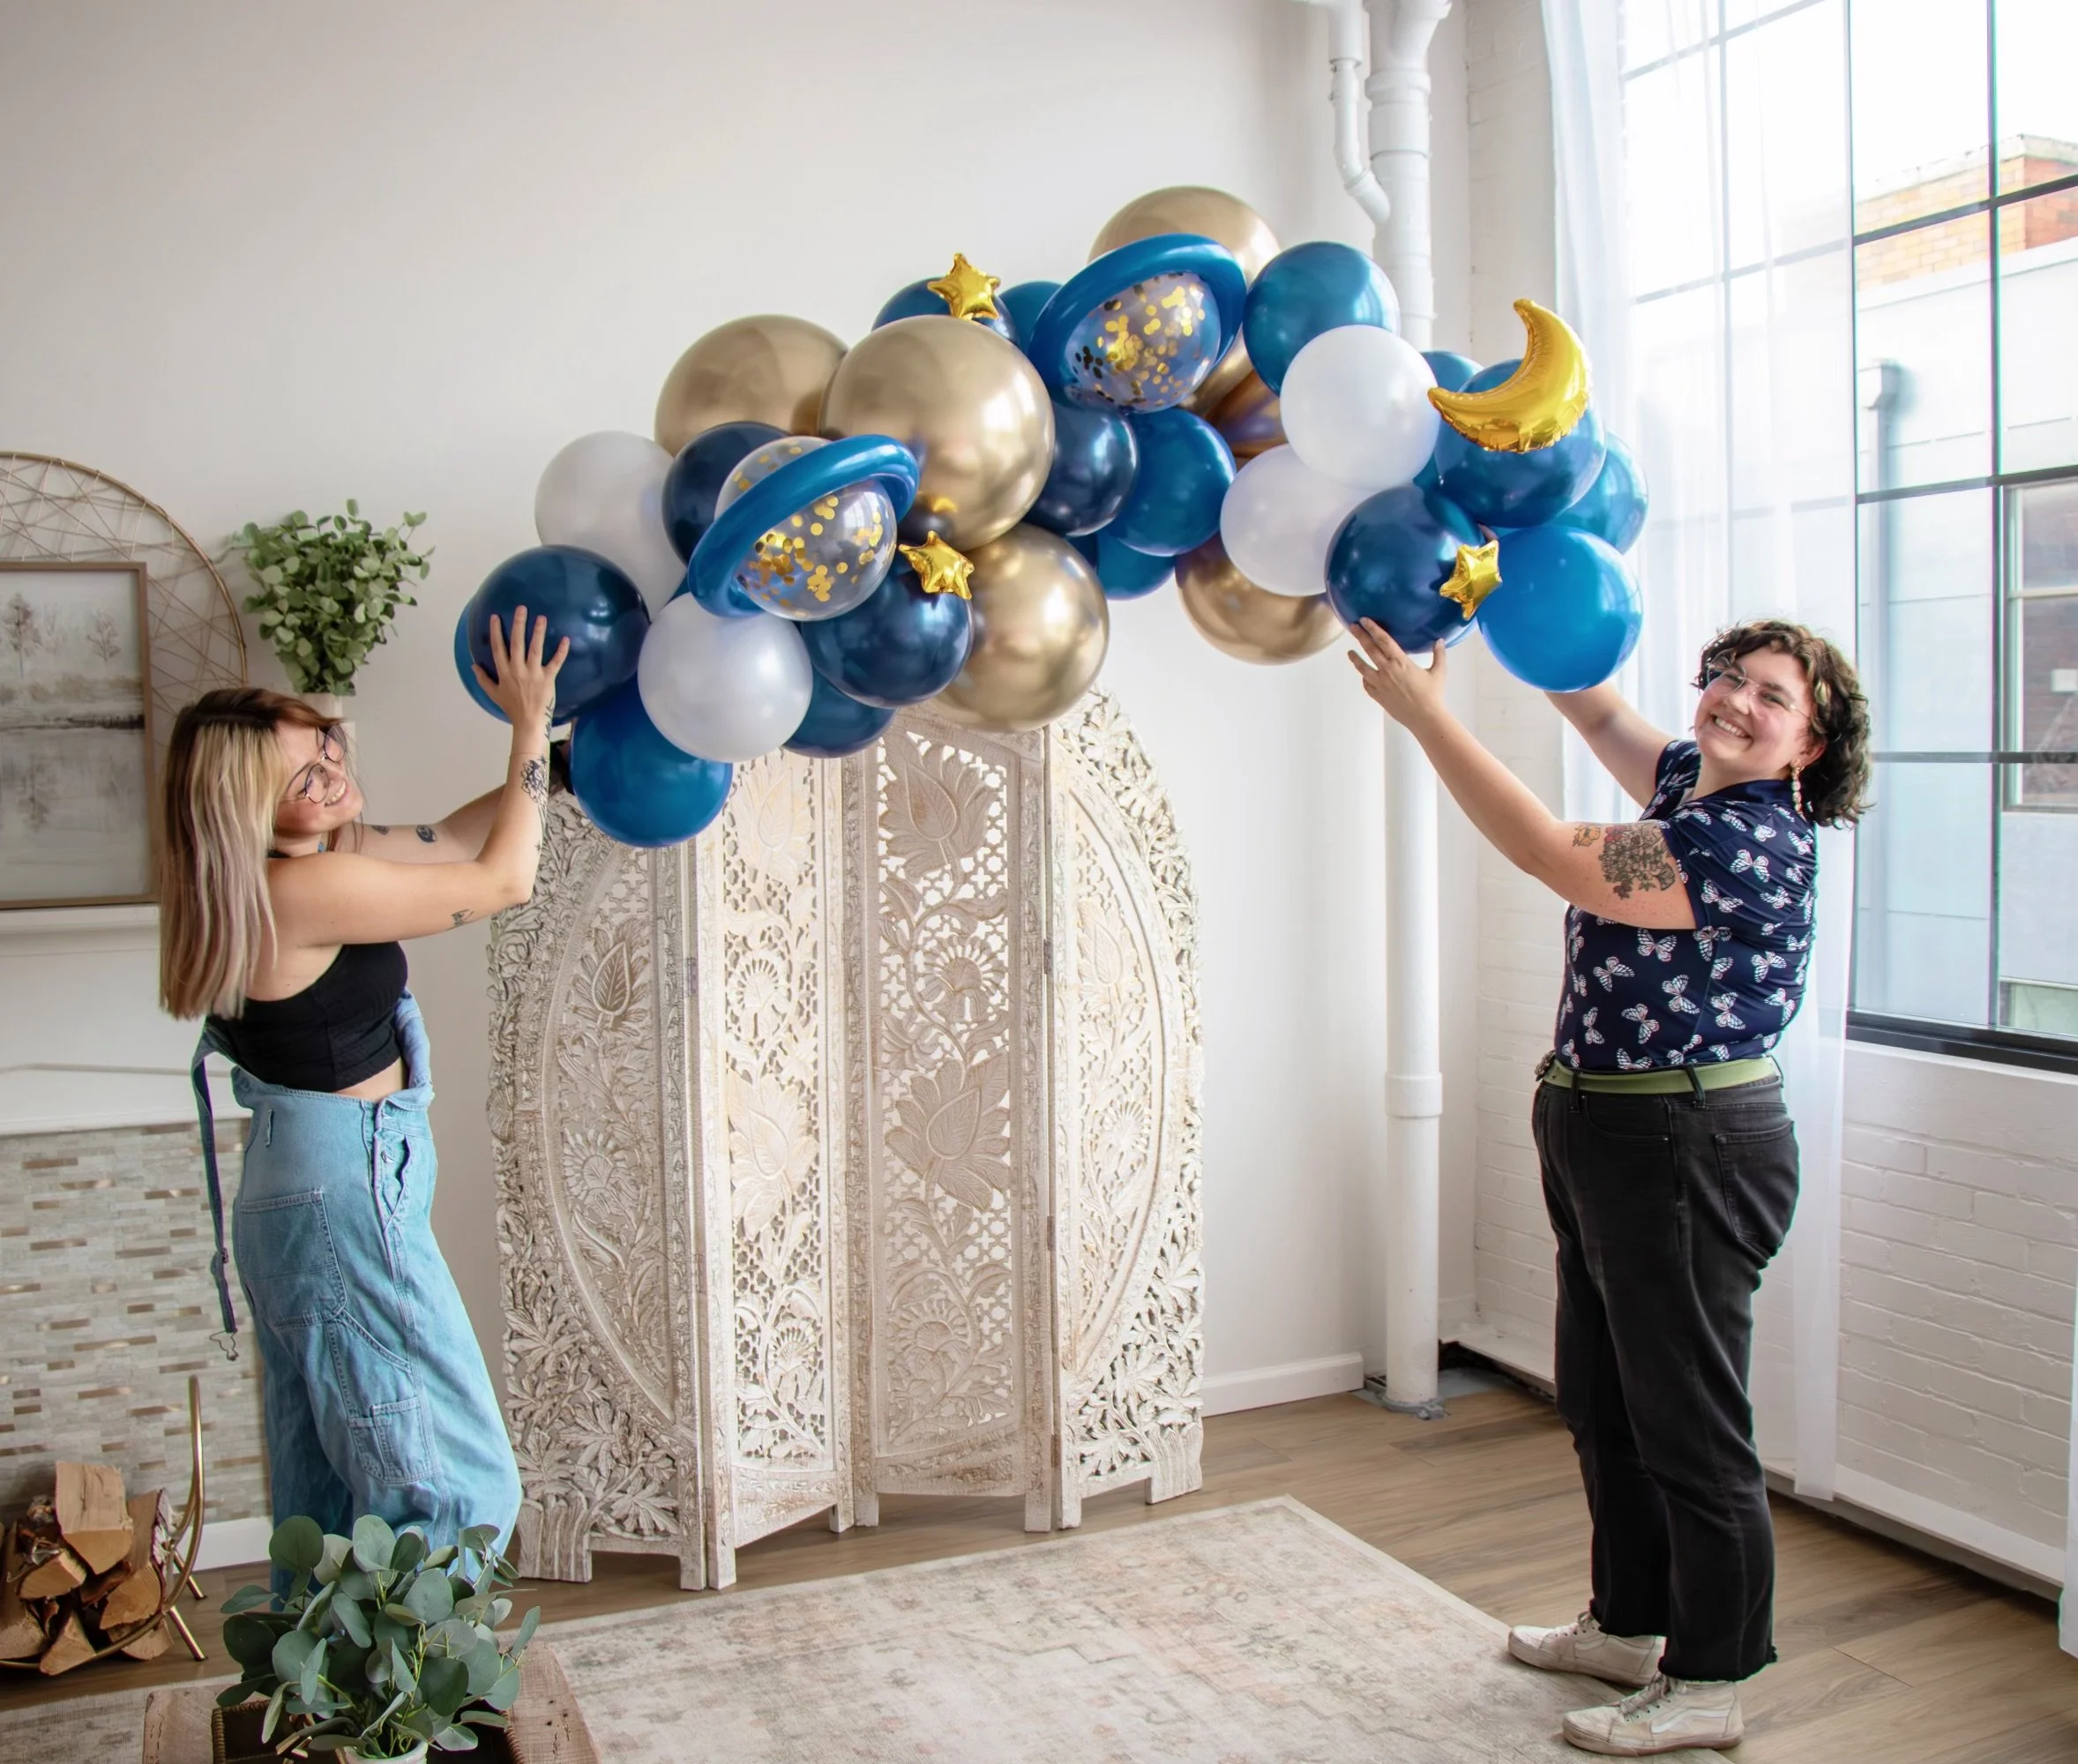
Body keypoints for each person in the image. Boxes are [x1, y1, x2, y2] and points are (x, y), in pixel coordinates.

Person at [1349, 614, 1870, 1757]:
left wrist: (1426, 712)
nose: (1735, 699)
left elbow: (1544, 848)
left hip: (1690, 1145)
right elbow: (1586, 699)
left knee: (1689, 1425)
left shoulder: (1748, 843)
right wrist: (1492, 590)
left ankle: (1715, 1676)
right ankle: (1630, 1626)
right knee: (1603, 1402)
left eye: (1772, 696)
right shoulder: (1690, 780)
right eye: (1727, 676)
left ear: (1811, 747)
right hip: (1605, 1129)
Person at [157, 609, 567, 1558]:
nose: (334, 770)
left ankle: (328, 1701)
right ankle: (419, 1696)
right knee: (453, 1484)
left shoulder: (306, 865)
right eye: (304, 775)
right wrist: (526, 727)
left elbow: (464, 836)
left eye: (326, 744)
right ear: (246, 809)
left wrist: (565, 753)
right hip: (341, 1190)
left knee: (338, 1494)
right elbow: (503, 879)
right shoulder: (300, 893)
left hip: (310, 1186)